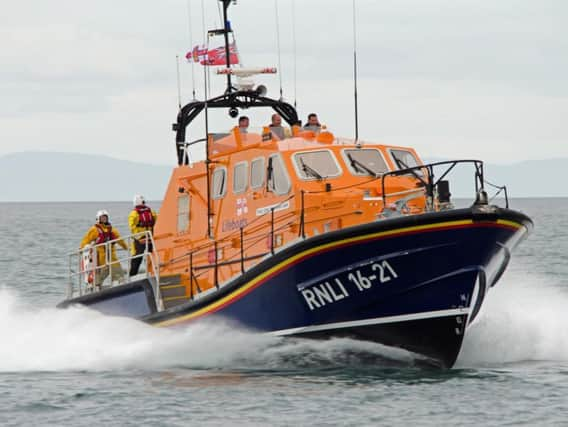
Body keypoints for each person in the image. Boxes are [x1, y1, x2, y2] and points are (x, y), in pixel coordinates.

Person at [80, 210, 128, 287]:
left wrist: (125, 247)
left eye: (105, 217)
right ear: (98, 218)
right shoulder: (94, 229)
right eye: (102, 217)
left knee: (117, 269)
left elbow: (119, 239)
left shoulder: (112, 230)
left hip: (111, 254)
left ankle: (120, 282)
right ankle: (95, 285)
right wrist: (81, 248)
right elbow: (86, 239)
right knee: (101, 272)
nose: (104, 219)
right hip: (101, 255)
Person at [129, 194, 158, 276]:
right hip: (149, 237)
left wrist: (138, 238)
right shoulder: (151, 211)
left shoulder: (133, 214)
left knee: (137, 258)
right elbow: (156, 222)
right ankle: (152, 272)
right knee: (150, 255)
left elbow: (132, 227)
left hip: (141, 238)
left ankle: (132, 275)